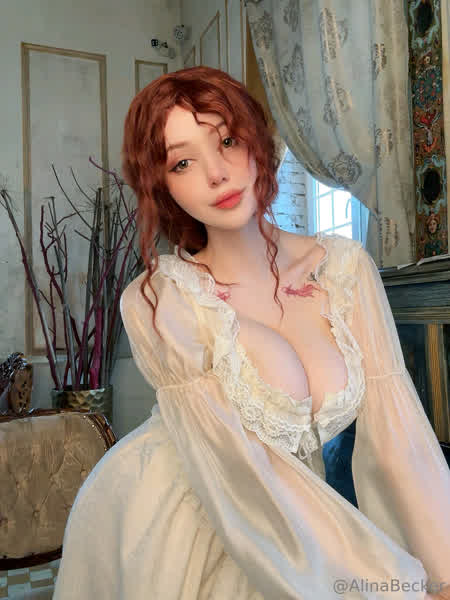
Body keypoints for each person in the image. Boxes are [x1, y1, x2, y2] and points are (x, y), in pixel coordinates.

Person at [53, 66, 450, 600]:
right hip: (190, 524)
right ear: (162, 185)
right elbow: (241, 482)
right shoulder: (159, 300)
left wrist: (440, 573)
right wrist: (379, 581)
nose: (216, 174)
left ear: (258, 140)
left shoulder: (344, 270)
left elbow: (400, 444)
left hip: (306, 527)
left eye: (228, 141)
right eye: (183, 162)